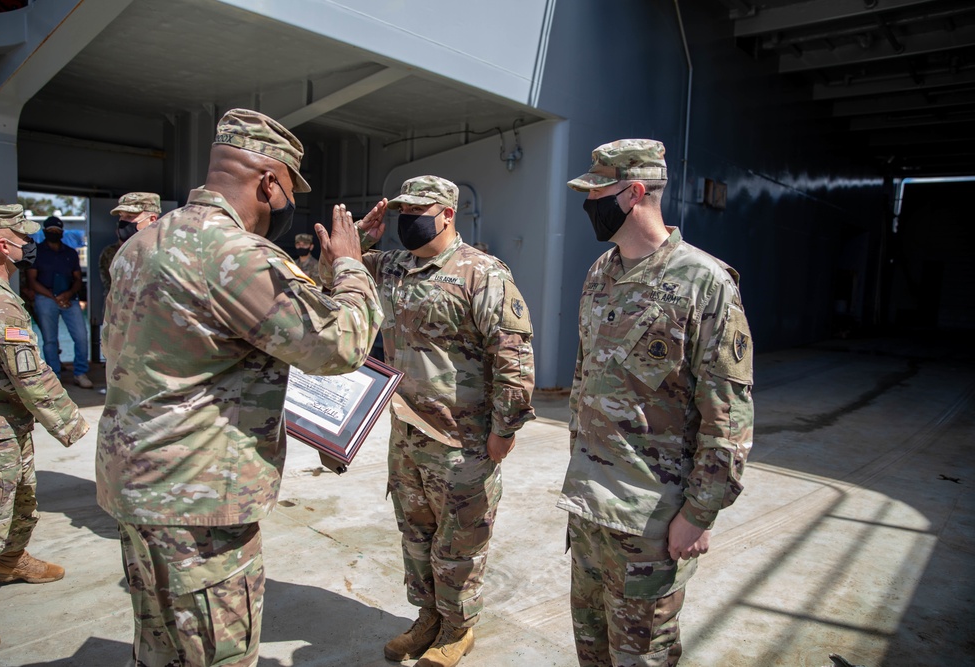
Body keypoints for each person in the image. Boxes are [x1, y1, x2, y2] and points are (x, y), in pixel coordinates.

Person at [96, 108, 383, 667]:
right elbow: (338, 344)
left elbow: (239, 324)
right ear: (269, 182)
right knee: (215, 655)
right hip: (198, 500)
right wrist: (351, 267)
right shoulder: (237, 254)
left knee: (159, 648)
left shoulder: (145, 243)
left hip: (135, 482)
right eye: (286, 191)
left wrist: (320, 276)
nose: (284, 204)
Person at [559, 139, 754, 667]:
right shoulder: (601, 273)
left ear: (635, 192)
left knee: (643, 657)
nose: (588, 203)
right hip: (590, 508)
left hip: (651, 520)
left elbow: (728, 415)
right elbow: (585, 379)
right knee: (593, 651)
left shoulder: (705, 283)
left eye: (598, 191)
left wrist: (700, 511)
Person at [342, 175, 536, 667]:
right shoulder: (389, 267)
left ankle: (457, 627)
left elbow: (513, 356)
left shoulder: (482, 273)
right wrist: (361, 237)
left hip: (461, 440)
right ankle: (427, 617)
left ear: (448, 213)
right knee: (415, 535)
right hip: (405, 433)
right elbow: (325, 273)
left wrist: (502, 431)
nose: (407, 220)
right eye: (402, 210)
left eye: (418, 210)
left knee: (460, 542)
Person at [0, 204, 91, 661]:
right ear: (5, 245)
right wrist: (75, 425)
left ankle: (11, 561)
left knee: (22, 496)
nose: (31, 245)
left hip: (4, 421)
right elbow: (30, 373)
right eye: (24, 238)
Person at [26, 215, 92, 388]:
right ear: (45, 232)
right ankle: (54, 375)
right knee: (50, 339)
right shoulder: (37, 252)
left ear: (61, 232)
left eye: (56, 231)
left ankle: (80, 372)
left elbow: (78, 279)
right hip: (45, 299)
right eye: (50, 231)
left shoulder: (70, 253)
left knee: (81, 336)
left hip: (69, 299)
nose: (53, 233)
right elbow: (32, 280)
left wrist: (68, 294)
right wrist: (53, 297)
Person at [98, 192, 162, 297]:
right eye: (121, 216)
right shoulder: (121, 251)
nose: (122, 221)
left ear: (152, 219)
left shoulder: (164, 250)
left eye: (129, 216)